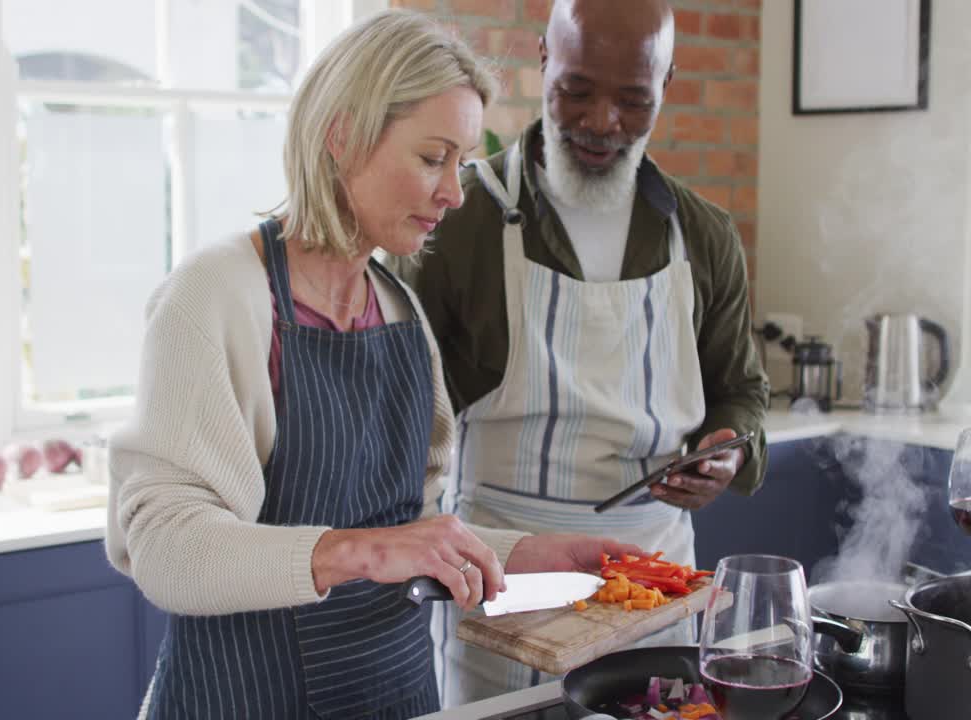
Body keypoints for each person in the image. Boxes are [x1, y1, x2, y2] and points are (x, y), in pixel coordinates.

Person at [105, 9, 641, 719]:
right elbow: (165, 549)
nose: (453, 192)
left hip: (393, 695)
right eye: (432, 158)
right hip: (243, 697)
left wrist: (527, 554)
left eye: (462, 162)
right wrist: (357, 553)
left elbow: (407, 529)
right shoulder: (218, 294)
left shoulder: (399, 311)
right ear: (343, 135)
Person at [398, 0, 771, 705]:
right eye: (577, 91)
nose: (603, 122)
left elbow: (741, 393)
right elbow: (400, 420)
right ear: (543, 59)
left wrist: (730, 451)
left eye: (633, 99)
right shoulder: (460, 219)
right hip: (502, 577)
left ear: (668, 81)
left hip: (655, 580)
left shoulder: (705, 237)